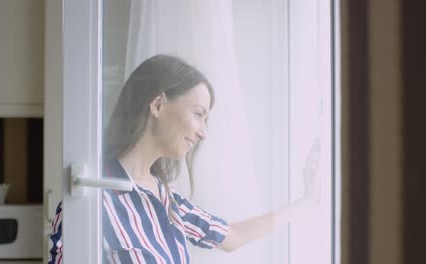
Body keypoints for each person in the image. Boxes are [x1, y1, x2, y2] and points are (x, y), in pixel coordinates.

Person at [48, 54, 320, 264]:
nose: (203, 132)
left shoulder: (169, 201)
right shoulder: (90, 199)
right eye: (199, 114)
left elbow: (232, 236)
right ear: (157, 105)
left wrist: (307, 202)